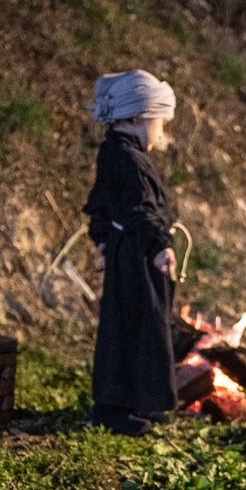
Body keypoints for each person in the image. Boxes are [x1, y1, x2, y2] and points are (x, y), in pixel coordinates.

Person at [83, 69, 180, 436]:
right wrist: (159, 246)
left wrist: (103, 238)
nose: (160, 132)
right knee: (136, 326)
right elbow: (139, 207)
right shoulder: (129, 159)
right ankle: (114, 410)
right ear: (139, 118)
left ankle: (141, 401)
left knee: (137, 325)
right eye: (158, 123)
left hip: (127, 249)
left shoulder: (114, 151)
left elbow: (103, 203)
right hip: (137, 253)